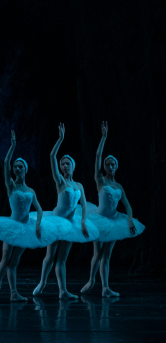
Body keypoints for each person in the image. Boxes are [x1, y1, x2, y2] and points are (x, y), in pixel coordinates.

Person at [32, 124, 99, 299]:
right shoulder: (60, 181)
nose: (64, 165)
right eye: (62, 164)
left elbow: (83, 205)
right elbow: (52, 156)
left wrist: (83, 222)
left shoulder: (79, 185)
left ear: (73, 166)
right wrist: (60, 139)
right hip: (56, 221)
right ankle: (42, 282)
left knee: (62, 259)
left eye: (67, 163)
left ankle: (63, 291)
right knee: (50, 256)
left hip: (70, 224)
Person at [0, 131, 52, 301]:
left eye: (20, 167)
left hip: (25, 228)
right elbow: (6, 163)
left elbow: (39, 209)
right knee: (5, 258)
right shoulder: (11, 186)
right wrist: (13, 146)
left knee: (14, 261)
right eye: (16, 167)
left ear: (25, 170)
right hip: (11, 226)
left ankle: (14, 293)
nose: (17, 169)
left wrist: (38, 224)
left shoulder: (30, 190)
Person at [80, 121, 144, 297]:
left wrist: (129, 220)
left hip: (114, 221)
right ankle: (91, 280)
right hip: (99, 220)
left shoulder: (119, 186)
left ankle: (105, 288)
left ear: (116, 166)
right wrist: (104, 137)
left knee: (107, 255)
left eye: (112, 164)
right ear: (104, 167)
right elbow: (97, 155)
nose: (109, 166)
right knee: (98, 253)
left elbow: (128, 205)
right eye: (107, 164)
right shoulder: (100, 180)